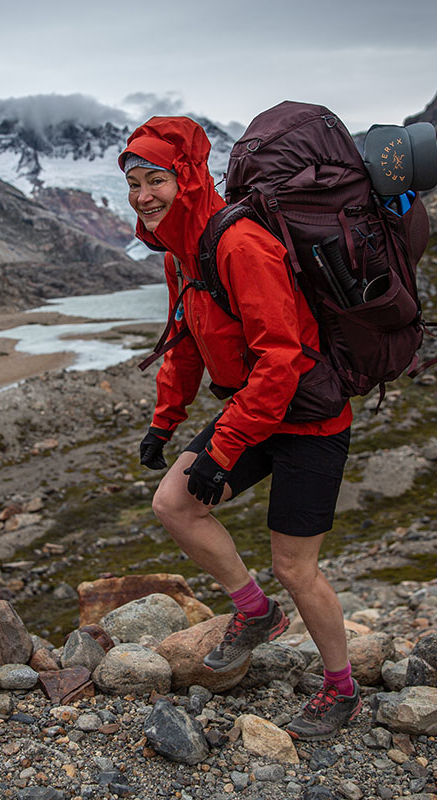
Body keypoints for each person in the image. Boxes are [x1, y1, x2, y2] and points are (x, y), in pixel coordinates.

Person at [121, 116, 359, 741]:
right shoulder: (182, 252)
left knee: (295, 565)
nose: (143, 195)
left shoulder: (239, 244)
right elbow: (186, 343)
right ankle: (256, 614)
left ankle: (342, 687)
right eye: (134, 182)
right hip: (257, 410)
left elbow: (282, 357)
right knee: (174, 502)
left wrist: (223, 449)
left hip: (309, 419)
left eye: (156, 180)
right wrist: (163, 421)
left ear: (189, 179)